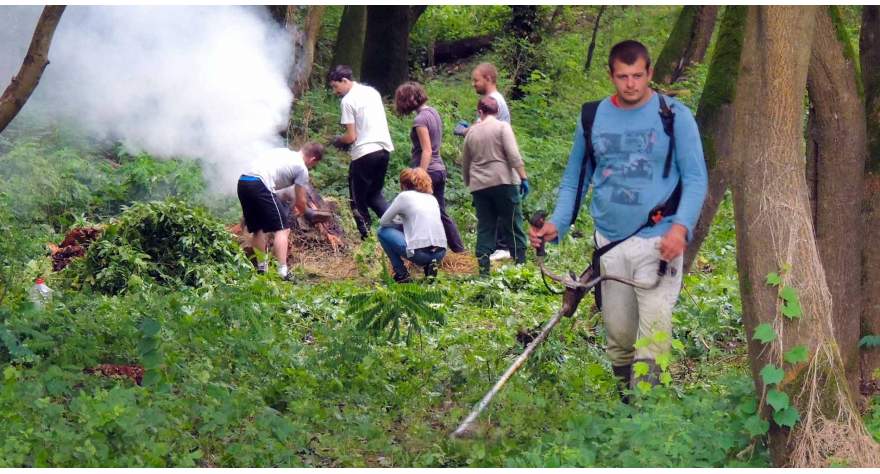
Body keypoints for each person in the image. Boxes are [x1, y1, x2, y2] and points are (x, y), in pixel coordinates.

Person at [528, 40, 708, 399]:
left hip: (659, 241)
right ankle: (625, 405)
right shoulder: (592, 117)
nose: (630, 84)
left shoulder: (674, 115)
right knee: (621, 337)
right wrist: (557, 225)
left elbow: (697, 179)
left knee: (653, 334)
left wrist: (681, 227)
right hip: (610, 242)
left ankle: (645, 415)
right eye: (622, 77)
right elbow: (574, 179)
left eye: (637, 76)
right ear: (610, 75)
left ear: (649, 74)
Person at [393, 81, 466, 254]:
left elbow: (427, 150)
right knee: (439, 211)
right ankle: (458, 248)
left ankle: (419, 250)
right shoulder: (433, 112)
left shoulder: (420, 120)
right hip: (439, 169)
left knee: (416, 212)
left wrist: (420, 175)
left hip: (428, 170)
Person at [462, 96, 530, 276]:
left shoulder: (471, 133)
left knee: (486, 225)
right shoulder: (502, 127)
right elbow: (513, 155)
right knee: (513, 222)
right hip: (504, 181)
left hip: (480, 186)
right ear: (498, 112)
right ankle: (521, 268)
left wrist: (469, 183)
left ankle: (484, 271)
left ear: (480, 113)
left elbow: (466, 163)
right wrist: (523, 177)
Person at [238, 141, 325, 280]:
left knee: (258, 229)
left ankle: (262, 269)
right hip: (260, 184)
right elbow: (301, 201)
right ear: (312, 159)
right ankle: (282, 272)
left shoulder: (283, 152)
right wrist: (309, 212)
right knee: (283, 229)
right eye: (314, 164)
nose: (312, 167)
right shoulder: (302, 168)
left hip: (243, 182)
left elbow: (281, 184)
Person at [327, 65, 395, 241]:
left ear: (345, 81)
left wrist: (338, 140)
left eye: (335, 86)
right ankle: (399, 227)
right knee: (374, 194)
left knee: (357, 200)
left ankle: (366, 239)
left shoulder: (348, 101)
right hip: (383, 149)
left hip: (365, 153)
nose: (335, 91)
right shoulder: (372, 92)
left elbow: (351, 136)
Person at [454, 62, 513, 262]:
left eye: (476, 80)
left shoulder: (493, 100)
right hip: (492, 159)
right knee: (494, 204)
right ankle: (501, 246)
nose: (473, 84)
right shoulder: (494, 100)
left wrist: (463, 131)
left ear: (488, 79)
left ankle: (503, 247)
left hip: (494, 160)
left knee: (496, 202)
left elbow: (481, 130)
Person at [377, 168, 448, 283]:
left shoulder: (404, 196)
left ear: (403, 184)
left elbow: (383, 222)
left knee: (382, 231)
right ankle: (429, 267)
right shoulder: (432, 198)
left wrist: (400, 222)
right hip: (440, 253)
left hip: (420, 254)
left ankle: (401, 273)